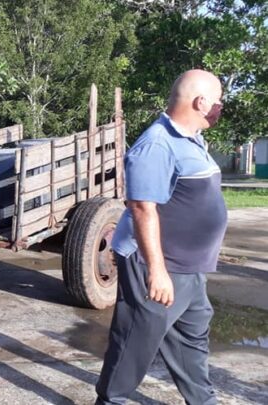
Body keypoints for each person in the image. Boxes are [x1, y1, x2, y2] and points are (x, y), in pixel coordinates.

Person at [96, 69, 226, 405]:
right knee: (136, 341)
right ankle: (111, 400)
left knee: (191, 335)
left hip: (188, 265)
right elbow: (141, 208)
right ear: (200, 102)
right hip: (158, 265)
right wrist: (157, 271)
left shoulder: (191, 138)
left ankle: (202, 400)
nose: (219, 108)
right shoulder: (156, 144)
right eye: (218, 102)